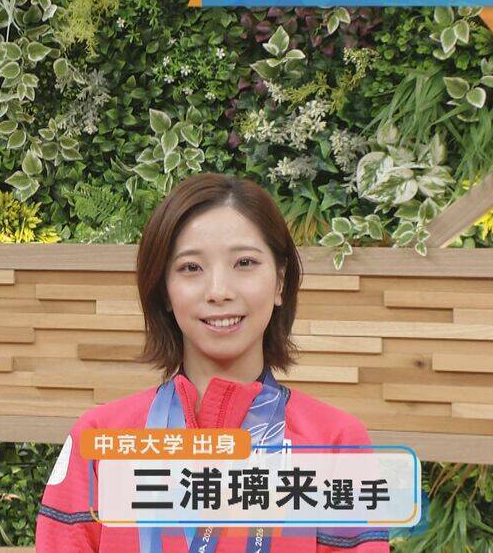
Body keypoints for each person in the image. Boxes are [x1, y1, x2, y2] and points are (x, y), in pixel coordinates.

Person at [36, 173, 389, 552]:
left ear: (279, 282)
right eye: (191, 268)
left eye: (245, 262)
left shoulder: (337, 443)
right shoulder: (100, 438)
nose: (219, 291)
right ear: (165, 291)